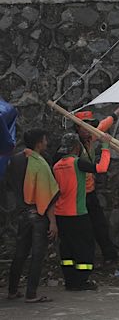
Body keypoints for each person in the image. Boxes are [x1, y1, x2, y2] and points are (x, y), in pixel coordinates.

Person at [53, 132, 112, 291]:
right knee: (84, 247)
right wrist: (106, 146)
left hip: (61, 214)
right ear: (76, 147)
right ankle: (82, 280)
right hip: (77, 213)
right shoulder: (78, 163)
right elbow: (101, 168)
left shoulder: (56, 165)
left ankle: (70, 280)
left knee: (67, 248)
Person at [6, 129, 59, 303]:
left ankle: (12, 290)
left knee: (20, 253)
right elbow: (47, 195)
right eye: (44, 140)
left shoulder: (14, 160)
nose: (46, 143)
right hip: (38, 214)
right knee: (37, 254)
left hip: (22, 212)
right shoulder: (41, 163)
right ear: (38, 143)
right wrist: (52, 222)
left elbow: (9, 184)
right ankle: (31, 294)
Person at [74, 108, 119, 265]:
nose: (89, 129)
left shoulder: (90, 138)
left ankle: (109, 255)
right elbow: (101, 168)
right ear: (77, 128)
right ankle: (84, 263)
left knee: (100, 224)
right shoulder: (73, 146)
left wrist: (116, 113)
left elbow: (103, 125)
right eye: (85, 126)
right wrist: (105, 147)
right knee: (83, 230)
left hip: (90, 192)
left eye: (90, 125)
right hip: (77, 195)